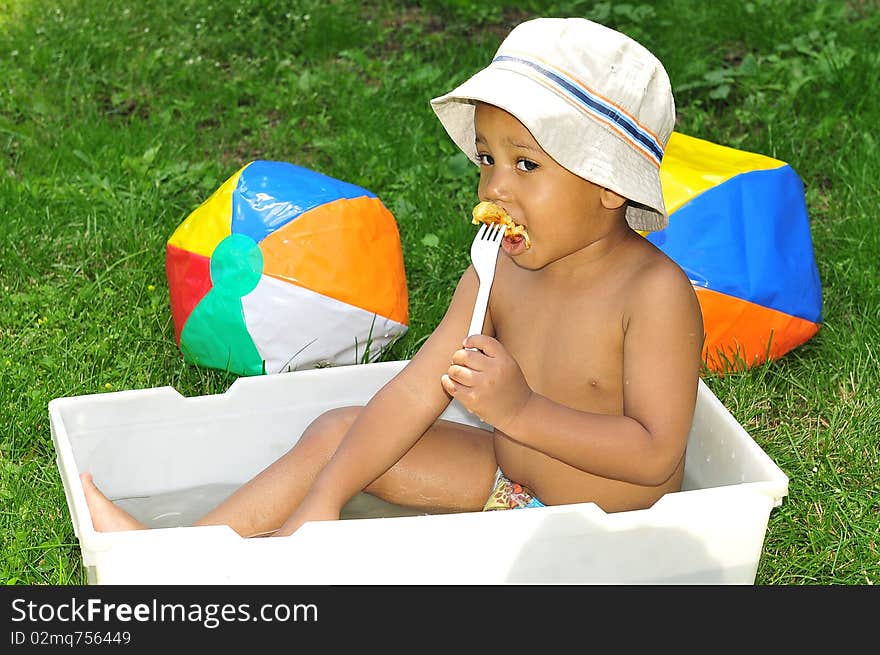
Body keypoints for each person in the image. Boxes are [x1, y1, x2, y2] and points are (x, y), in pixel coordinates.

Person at [81, 17, 704, 537]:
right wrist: (324, 500)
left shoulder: (652, 295)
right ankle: (186, 556)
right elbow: (414, 393)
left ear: (607, 186)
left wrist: (520, 411)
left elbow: (654, 456)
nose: (493, 186)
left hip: (608, 533)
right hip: (510, 488)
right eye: (487, 159)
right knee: (338, 434)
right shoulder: (495, 269)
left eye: (525, 163)